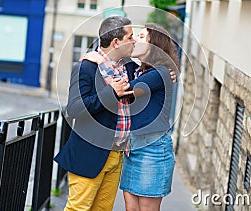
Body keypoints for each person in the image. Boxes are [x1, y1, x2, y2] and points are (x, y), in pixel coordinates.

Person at [86, 23, 180, 211]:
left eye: (142, 37)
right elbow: (116, 55)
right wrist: (99, 55)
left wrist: (100, 61)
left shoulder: (160, 72)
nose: (136, 40)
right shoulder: (139, 70)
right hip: (132, 147)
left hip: (153, 149)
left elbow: (125, 90)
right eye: (135, 36)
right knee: (131, 208)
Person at [54, 15, 137, 211]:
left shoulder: (128, 67)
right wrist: (111, 94)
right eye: (130, 37)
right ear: (116, 42)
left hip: (117, 154)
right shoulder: (86, 68)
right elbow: (74, 109)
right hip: (90, 153)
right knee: (79, 208)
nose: (134, 41)